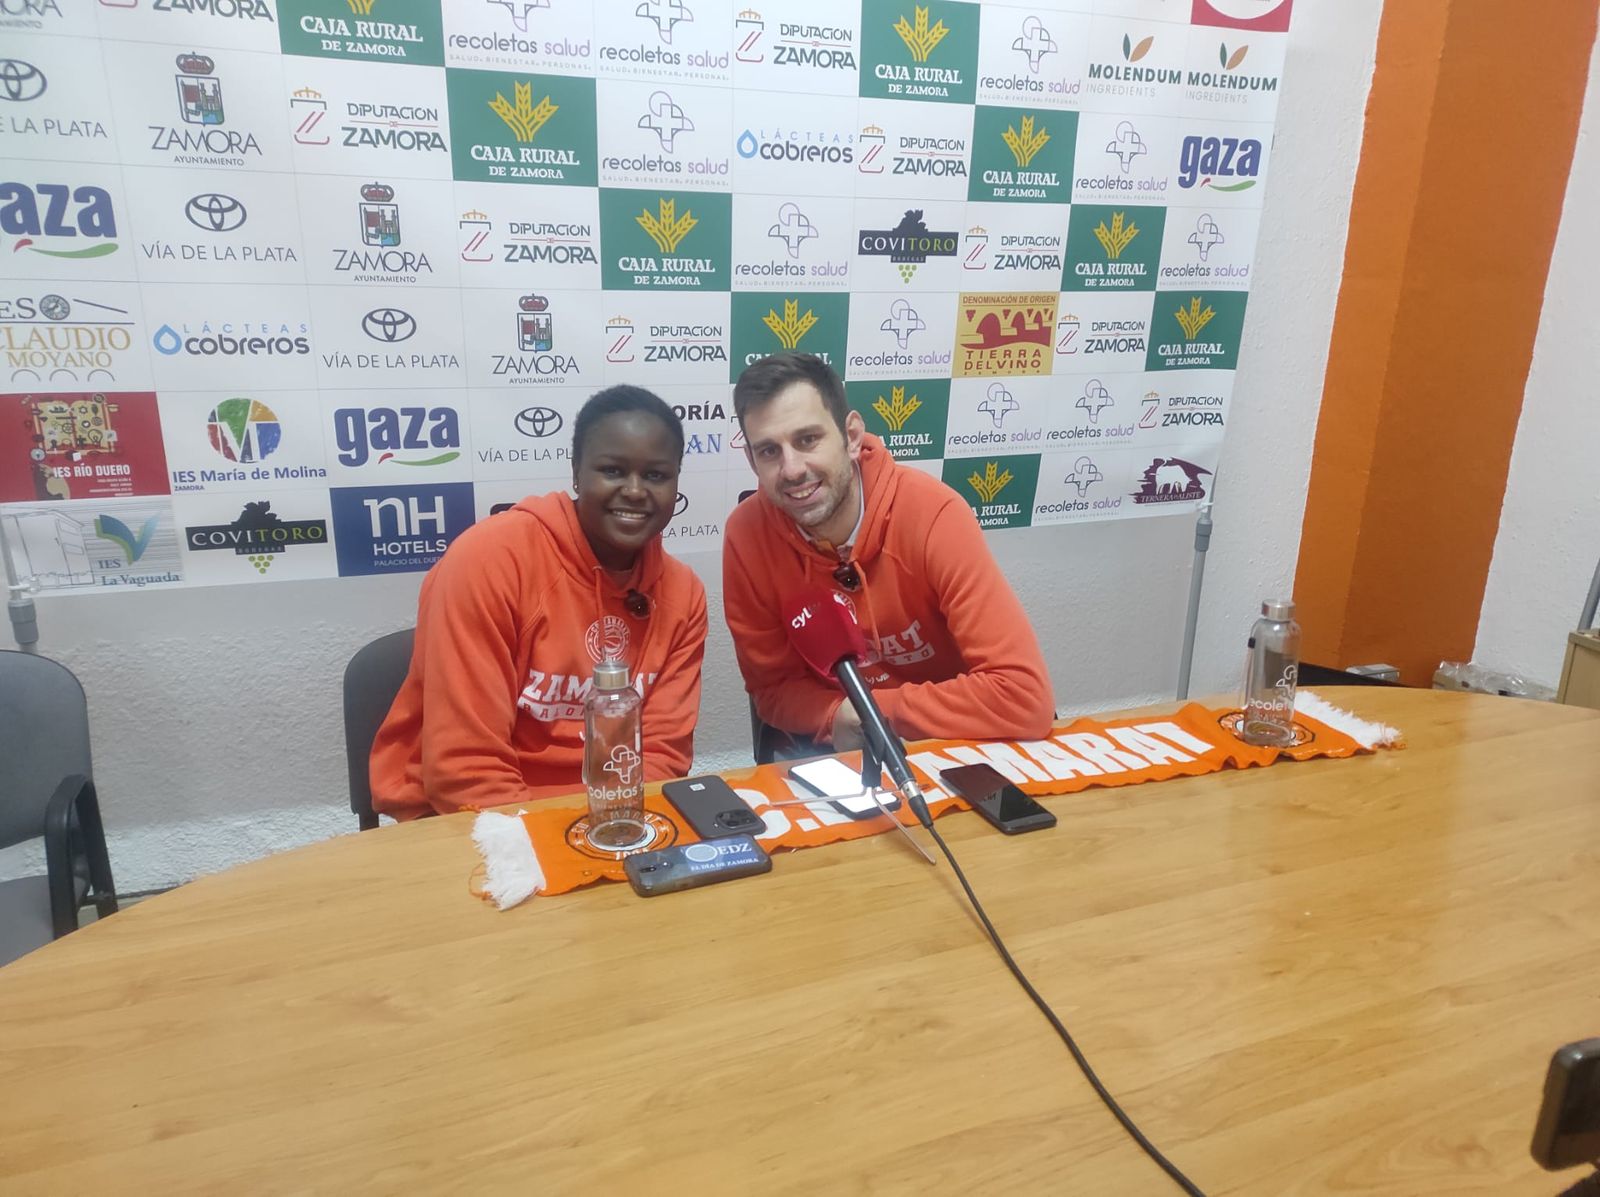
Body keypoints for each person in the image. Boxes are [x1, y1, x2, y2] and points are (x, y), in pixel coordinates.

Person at [371, 386, 707, 820]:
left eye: (657, 475)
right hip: (462, 819)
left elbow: (661, 758)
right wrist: (555, 848)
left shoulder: (685, 594)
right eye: (612, 470)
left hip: (613, 818)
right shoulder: (489, 561)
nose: (636, 491)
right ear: (576, 473)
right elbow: (465, 772)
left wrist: (613, 831)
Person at [723, 352, 1054, 752]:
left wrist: (872, 709)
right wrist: (833, 716)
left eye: (808, 439)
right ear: (751, 460)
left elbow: (1023, 697)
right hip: (841, 747)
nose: (792, 469)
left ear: (852, 436)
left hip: (954, 742)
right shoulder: (746, 535)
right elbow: (773, 690)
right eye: (769, 451)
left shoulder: (934, 514)